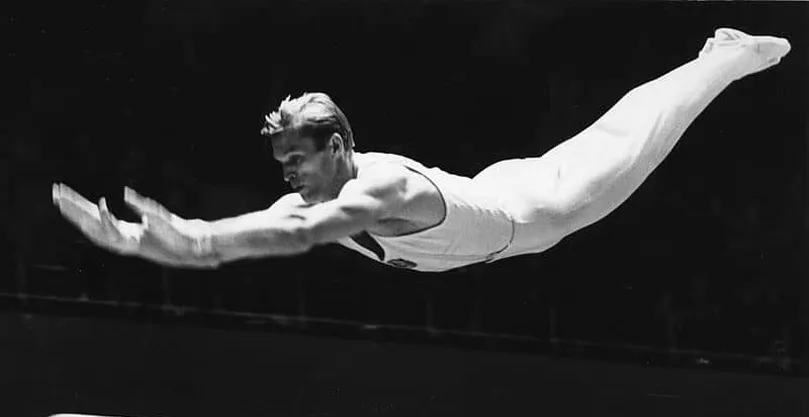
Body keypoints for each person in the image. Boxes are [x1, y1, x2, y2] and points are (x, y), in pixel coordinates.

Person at [53, 28, 791, 273]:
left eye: (299, 159)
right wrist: (134, 242)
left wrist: (202, 238)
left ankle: (725, 58)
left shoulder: (379, 190)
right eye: (282, 165)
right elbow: (234, 238)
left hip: (539, 211)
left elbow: (301, 234)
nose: (290, 174)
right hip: (490, 191)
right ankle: (717, 59)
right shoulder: (310, 196)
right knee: (617, 132)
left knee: (636, 133)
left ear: (338, 146)